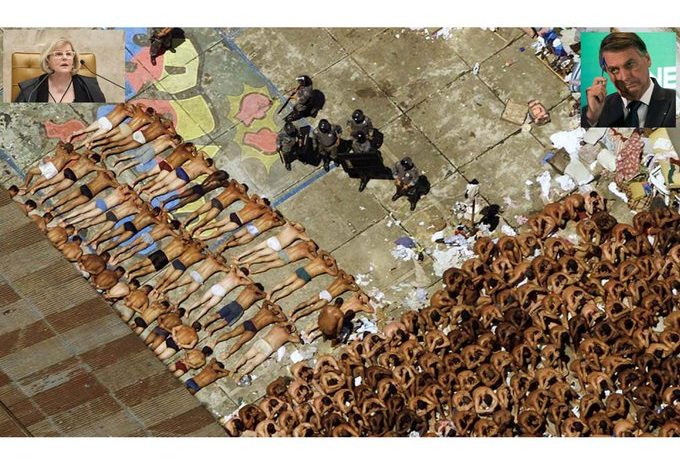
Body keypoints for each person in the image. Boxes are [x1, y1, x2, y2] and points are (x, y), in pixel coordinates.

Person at [581, 32, 676, 129]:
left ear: (647, 59)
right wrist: (592, 118)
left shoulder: (674, 102)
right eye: (614, 70)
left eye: (630, 64)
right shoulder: (591, 113)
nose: (624, 77)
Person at [14, 38, 105, 103]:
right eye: (58, 54)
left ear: (73, 60)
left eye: (68, 54)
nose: (65, 57)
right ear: (47, 60)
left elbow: (101, 115)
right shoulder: (30, 89)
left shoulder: (90, 86)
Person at [209, 300, 287, 361]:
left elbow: (266, 302)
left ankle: (218, 343)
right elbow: (284, 319)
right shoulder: (271, 317)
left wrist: (274, 306)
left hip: (249, 324)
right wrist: (278, 309)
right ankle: (226, 351)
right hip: (252, 328)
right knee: (236, 339)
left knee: (234, 337)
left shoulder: (266, 311)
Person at [231, 323, 301, 383]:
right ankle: (240, 375)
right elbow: (297, 340)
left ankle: (234, 368)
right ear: (289, 331)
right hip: (268, 348)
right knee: (253, 363)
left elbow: (282, 323)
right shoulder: (287, 336)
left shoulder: (277, 327)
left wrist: (288, 323)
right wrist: (296, 332)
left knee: (246, 356)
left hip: (262, 342)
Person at [185, 266, 252, 323]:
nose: (241, 273)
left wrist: (244, 276)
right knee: (201, 300)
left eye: (243, 273)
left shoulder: (240, 281)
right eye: (241, 271)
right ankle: (188, 310)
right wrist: (238, 269)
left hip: (221, 292)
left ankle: (194, 320)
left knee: (207, 306)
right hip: (217, 286)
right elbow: (234, 265)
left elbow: (251, 282)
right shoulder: (232, 272)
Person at [33, 152, 104, 205]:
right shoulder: (93, 166)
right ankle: (43, 199)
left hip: (68, 170)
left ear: (91, 156)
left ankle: (35, 188)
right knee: (57, 189)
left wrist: (91, 152)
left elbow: (86, 152)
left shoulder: (84, 158)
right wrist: (101, 160)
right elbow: (104, 169)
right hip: (73, 177)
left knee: (50, 181)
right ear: (95, 161)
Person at [290, 269, 360, 322]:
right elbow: (341, 271)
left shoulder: (345, 284)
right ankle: (294, 311)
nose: (348, 279)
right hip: (326, 294)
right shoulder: (341, 280)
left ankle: (297, 315)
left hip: (327, 296)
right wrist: (349, 278)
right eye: (348, 277)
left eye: (350, 279)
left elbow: (356, 288)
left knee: (311, 307)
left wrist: (351, 280)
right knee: (308, 303)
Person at [269, 251, 339, 302]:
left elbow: (323, 252)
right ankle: (273, 295)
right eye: (331, 262)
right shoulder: (323, 265)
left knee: (287, 285)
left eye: (331, 263)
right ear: (327, 260)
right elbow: (335, 273)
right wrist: (333, 261)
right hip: (305, 274)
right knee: (289, 286)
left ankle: (274, 295)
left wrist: (331, 258)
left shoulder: (320, 260)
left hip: (303, 271)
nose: (330, 263)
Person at [183, 179, 249, 233]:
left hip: (217, 203)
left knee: (202, 216)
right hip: (217, 203)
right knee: (201, 215)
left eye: (242, 188)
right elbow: (233, 180)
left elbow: (233, 180)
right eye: (241, 187)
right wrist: (242, 189)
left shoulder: (234, 191)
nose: (240, 188)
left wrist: (241, 188)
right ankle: (189, 226)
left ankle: (189, 226)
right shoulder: (235, 191)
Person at [233, 221, 310, 266]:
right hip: (277, 245)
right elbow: (308, 239)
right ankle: (241, 262)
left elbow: (288, 222)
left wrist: (293, 223)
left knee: (254, 249)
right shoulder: (298, 234)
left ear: (296, 225)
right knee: (258, 254)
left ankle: (238, 256)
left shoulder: (290, 227)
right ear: (300, 230)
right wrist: (302, 233)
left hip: (273, 239)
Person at [202, 283, 267, 335]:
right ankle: (211, 330)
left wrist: (254, 287)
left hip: (234, 304)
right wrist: (257, 290)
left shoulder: (247, 289)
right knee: (225, 322)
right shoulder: (255, 295)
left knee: (218, 316)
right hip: (239, 309)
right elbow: (264, 295)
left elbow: (251, 284)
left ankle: (205, 325)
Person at [67, 103, 136, 149]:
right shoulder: (127, 113)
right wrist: (135, 109)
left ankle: (72, 135)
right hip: (108, 125)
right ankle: (79, 146)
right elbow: (135, 115)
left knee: (85, 130)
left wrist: (127, 104)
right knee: (92, 137)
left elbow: (123, 104)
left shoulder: (120, 105)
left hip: (103, 119)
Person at [244, 240, 318, 275]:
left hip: (285, 256)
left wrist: (313, 249)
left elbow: (315, 259)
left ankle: (252, 268)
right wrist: (314, 251)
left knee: (267, 263)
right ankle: (251, 266)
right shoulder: (305, 249)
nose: (310, 245)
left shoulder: (304, 248)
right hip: (285, 256)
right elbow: (315, 259)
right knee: (267, 262)